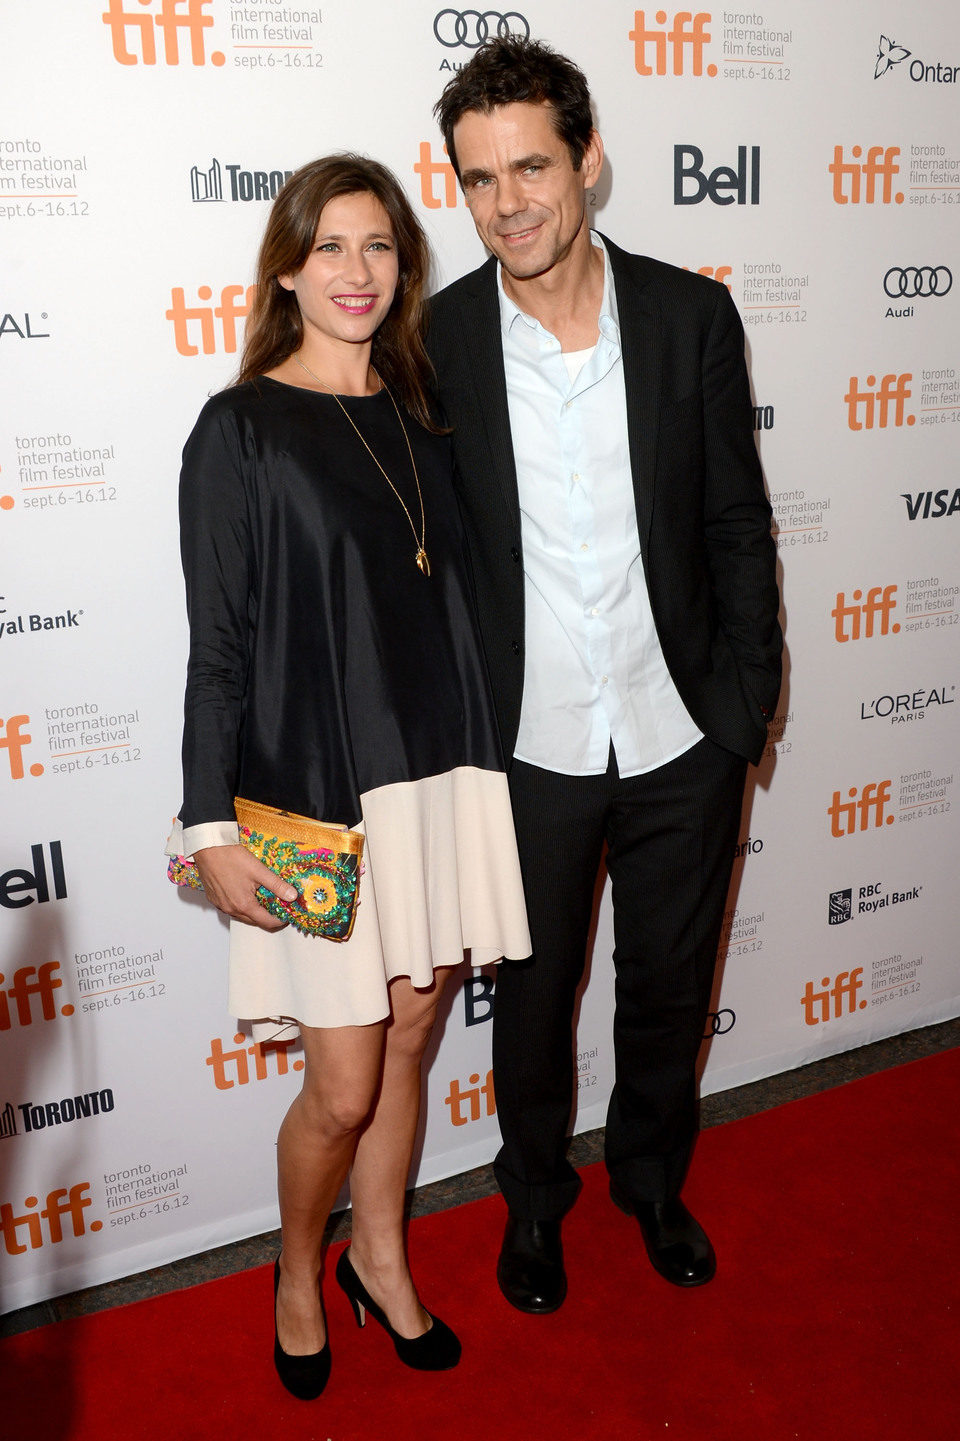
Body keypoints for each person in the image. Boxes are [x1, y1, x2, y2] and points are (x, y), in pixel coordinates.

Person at [428, 39, 782, 1313]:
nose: (508, 199)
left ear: (588, 161)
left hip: (682, 725)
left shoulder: (692, 314)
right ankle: (533, 1200)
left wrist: (745, 707)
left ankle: (649, 1178)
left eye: (530, 163)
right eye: (478, 177)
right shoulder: (438, 343)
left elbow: (739, 524)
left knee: (670, 983)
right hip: (526, 744)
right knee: (529, 1001)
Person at [168, 154, 530, 1398]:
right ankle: (296, 1265)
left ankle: (382, 1252)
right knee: (343, 1079)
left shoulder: (429, 411)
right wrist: (209, 825)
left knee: (418, 1034)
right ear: (285, 267)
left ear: (405, 266)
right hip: (322, 796)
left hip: (443, 776)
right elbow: (216, 647)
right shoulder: (239, 430)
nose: (356, 272)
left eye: (378, 247)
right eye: (329, 247)